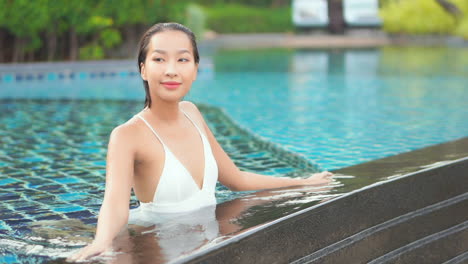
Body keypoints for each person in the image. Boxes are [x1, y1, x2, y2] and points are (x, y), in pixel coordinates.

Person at [67, 22, 332, 262]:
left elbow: (236, 179)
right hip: (154, 246)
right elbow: (115, 204)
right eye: (159, 59)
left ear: (195, 69)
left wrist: (303, 183)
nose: (171, 70)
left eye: (183, 59)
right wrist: (101, 242)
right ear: (143, 69)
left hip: (207, 244)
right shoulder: (127, 135)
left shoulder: (192, 113)